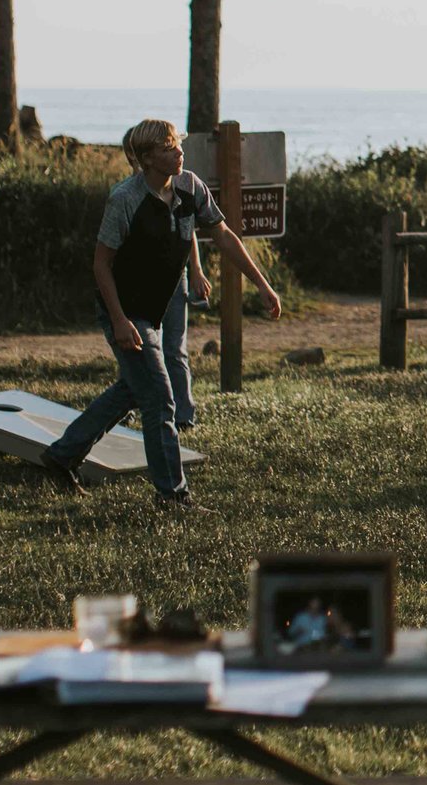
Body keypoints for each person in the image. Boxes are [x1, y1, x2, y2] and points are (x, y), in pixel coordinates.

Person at [46, 118, 282, 509]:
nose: (178, 151)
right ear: (146, 158)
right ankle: (172, 495)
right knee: (159, 397)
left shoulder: (190, 187)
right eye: (168, 147)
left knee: (132, 390)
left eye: (177, 144)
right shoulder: (125, 198)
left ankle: (61, 456)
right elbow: (101, 264)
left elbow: (223, 235)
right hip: (123, 309)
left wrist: (262, 284)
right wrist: (120, 321)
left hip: (155, 309)